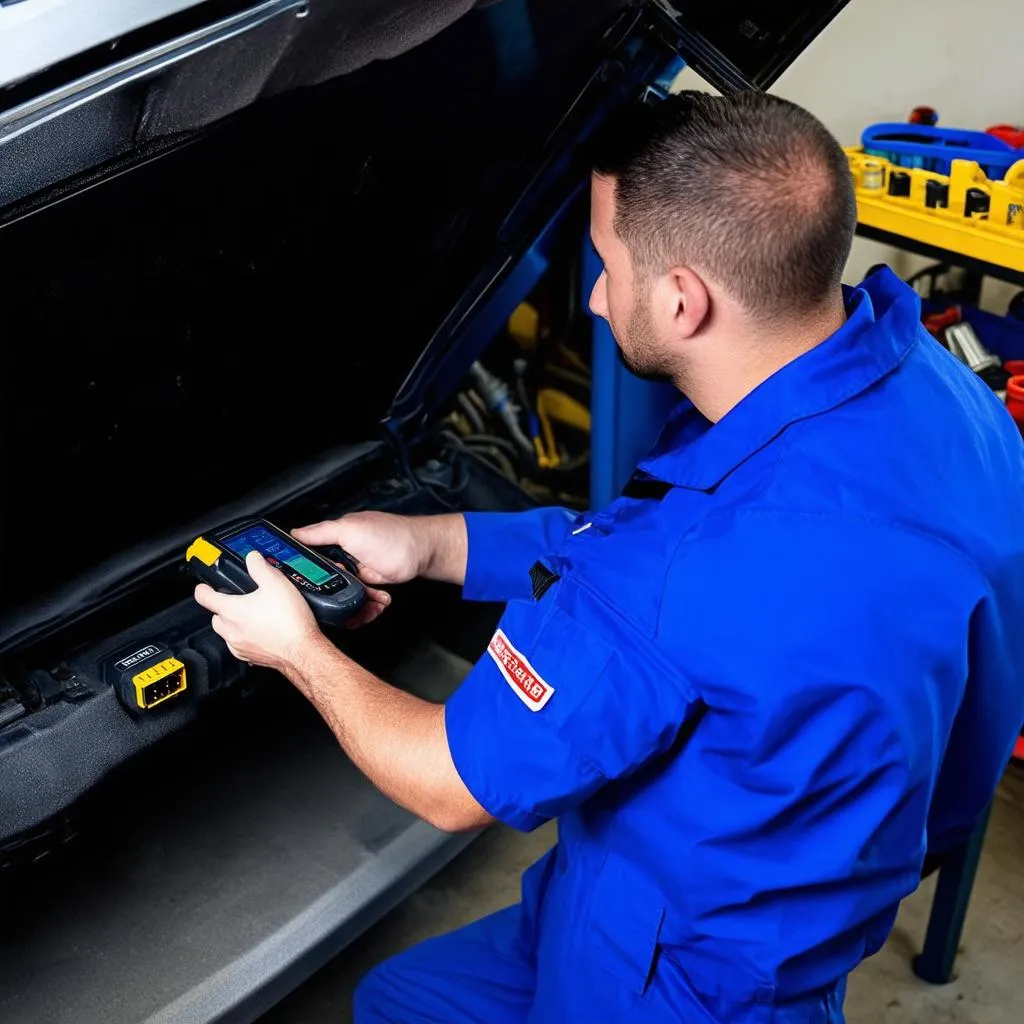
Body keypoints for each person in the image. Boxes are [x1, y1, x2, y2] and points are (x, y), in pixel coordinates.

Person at [193, 91, 1024, 1023]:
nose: (593, 296)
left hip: (682, 976)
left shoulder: (695, 567)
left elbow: (448, 781)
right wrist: (431, 543)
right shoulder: (950, 399)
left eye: (605, 265)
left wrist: (295, 646)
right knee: (403, 1000)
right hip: (757, 884)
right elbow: (639, 569)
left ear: (682, 299)